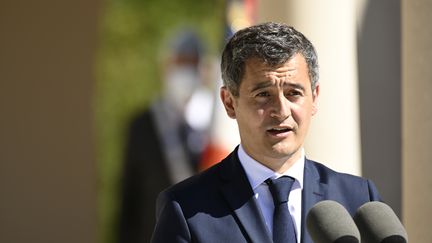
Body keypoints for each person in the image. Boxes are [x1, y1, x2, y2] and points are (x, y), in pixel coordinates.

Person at [150, 22, 381, 243]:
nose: (281, 111)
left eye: (293, 93)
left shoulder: (360, 200)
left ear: (315, 97)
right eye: (263, 95)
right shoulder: (185, 207)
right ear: (229, 103)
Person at [118, 29, 211, 243]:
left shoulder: (221, 122)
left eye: (192, 63)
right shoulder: (143, 125)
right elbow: (129, 200)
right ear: (166, 66)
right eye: (180, 63)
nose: (185, 71)